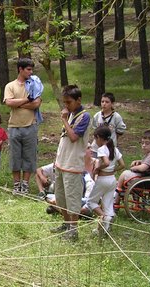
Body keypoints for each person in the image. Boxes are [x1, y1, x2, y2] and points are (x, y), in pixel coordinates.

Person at [50, 85, 91, 242]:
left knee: (73, 199)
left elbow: (74, 137)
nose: (66, 105)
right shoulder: (71, 115)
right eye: (64, 102)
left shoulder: (85, 116)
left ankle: (73, 230)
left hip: (73, 165)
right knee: (60, 198)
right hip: (61, 163)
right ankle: (66, 224)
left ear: (78, 100)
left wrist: (65, 120)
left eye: (69, 102)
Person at [4, 58, 43, 195]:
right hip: (14, 126)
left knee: (29, 156)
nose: (31, 72)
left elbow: (36, 103)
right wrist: (27, 100)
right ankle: (16, 185)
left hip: (30, 125)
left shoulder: (34, 84)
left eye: (32, 69)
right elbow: (9, 102)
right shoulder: (10, 86)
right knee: (15, 156)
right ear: (20, 69)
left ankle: (25, 184)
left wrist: (18, 103)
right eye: (28, 69)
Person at [85, 127, 125, 235]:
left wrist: (98, 169)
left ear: (99, 137)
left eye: (95, 138)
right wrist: (113, 170)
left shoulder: (102, 149)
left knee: (91, 201)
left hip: (103, 179)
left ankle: (103, 218)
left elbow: (106, 163)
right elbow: (122, 165)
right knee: (107, 203)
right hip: (112, 179)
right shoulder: (114, 149)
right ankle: (103, 229)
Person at [114, 130, 150, 206]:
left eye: (147, 143)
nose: (144, 145)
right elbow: (147, 163)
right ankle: (134, 202)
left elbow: (143, 168)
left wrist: (135, 168)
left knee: (124, 174)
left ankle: (117, 192)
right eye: (142, 143)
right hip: (146, 177)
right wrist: (139, 161)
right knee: (126, 177)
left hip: (145, 180)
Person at [89, 92, 126, 158]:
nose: (104, 104)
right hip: (96, 148)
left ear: (112, 104)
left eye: (107, 102)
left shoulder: (116, 117)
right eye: (102, 101)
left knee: (107, 165)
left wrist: (113, 139)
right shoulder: (97, 115)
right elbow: (95, 128)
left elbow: (120, 130)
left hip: (109, 147)